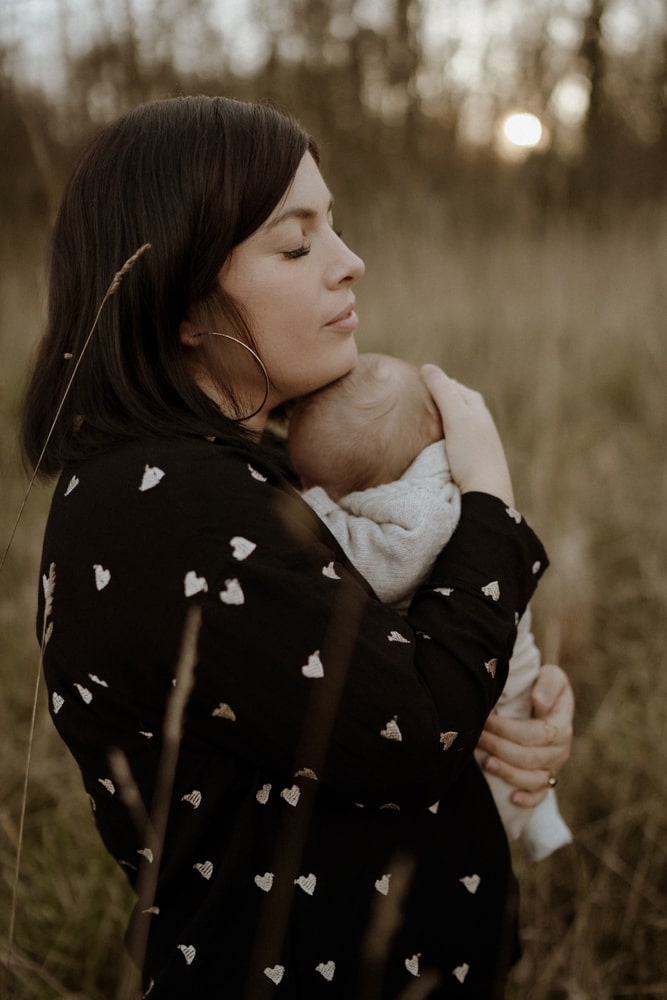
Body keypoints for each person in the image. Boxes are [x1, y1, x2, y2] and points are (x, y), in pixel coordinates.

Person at [20, 96, 574, 999]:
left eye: (336, 229)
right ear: (186, 302)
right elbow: (415, 731)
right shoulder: (168, 506)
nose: (350, 263)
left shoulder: (231, 473)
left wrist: (514, 704)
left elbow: (381, 676)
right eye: (297, 242)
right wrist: (489, 502)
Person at [288, 352, 573, 861]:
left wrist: (314, 512)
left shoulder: (419, 512)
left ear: (363, 491)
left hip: (486, 713)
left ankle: (534, 818)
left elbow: (380, 565)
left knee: (504, 750)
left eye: (314, 484)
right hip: (488, 672)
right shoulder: (446, 468)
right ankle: (541, 820)